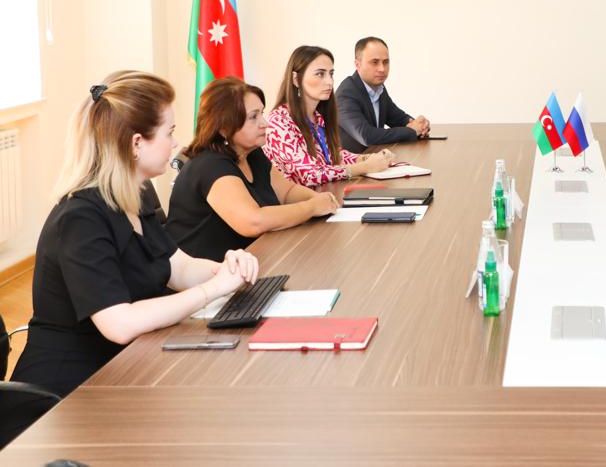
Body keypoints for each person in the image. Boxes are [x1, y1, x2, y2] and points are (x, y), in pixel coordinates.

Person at [11, 71, 260, 398]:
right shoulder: (80, 218)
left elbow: (179, 268)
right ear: (136, 144)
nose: (175, 143)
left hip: (126, 366)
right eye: (169, 132)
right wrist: (212, 290)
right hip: (67, 393)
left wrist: (228, 269)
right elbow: (119, 323)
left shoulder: (134, 195)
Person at [165, 77, 340, 261]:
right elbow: (253, 222)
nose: (265, 123)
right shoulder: (209, 165)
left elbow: (287, 192)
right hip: (205, 272)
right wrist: (311, 207)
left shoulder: (251, 153)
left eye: (261, 113)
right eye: (253, 117)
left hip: (251, 261)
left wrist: (322, 201)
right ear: (224, 127)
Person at [265, 45, 393, 185]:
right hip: (299, 198)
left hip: (323, 194)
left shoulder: (317, 117)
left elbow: (332, 155)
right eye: (320, 74)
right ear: (296, 79)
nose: (329, 82)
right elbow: (310, 174)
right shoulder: (278, 121)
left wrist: (364, 158)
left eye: (331, 74)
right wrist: (364, 167)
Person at [335, 36, 431, 153]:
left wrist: (419, 125)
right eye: (375, 62)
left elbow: (397, 118)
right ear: (358, 64)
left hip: (375, 158)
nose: (382, 69)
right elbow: (366, 136)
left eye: (386, 62)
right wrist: (412, 131)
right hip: (352, 163)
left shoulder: (378, 88)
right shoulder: (346, 94)